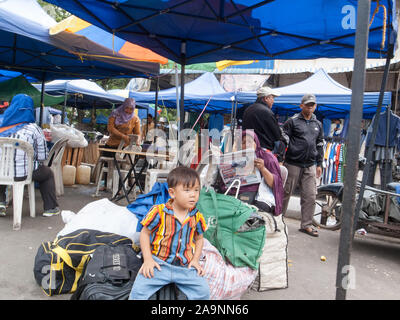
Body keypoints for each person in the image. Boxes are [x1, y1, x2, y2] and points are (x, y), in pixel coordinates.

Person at [129, 166, 209, 300]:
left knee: (203, 292)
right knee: (138, 293)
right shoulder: (158, 212)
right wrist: (148, 259)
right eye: (187, 190)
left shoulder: (197, 216)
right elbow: (144, 233)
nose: (193, 194)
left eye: (196, 190)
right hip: (159, 264)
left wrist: (195, 260)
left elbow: (200, 239)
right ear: (172, 193)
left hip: (184, 267)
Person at [0, 94, 59, 217]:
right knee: (47, 173)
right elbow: (42, 157)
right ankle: (50, 208)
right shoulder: (34, 129)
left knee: (3, 167)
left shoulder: (1, 126)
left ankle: (1, 203)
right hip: (25, 174)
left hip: (2, 173)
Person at [281, 94, 324, 237]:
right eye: (307, 104)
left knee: (310, 195)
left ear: (315, 106)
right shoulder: (292, 122)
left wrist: (320, 163)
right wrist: (281, 158)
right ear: (301, 106)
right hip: (292, 163)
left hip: (310, 164)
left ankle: (306, 224)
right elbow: (283, 141)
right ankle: (278, 221)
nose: (310, 107)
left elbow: (320, 144)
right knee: (285, 193)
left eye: (312, 104)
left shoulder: (318, 124)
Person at [223, 130, 284, 215]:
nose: (247, 145)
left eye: (250, 142)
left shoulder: (268, 158)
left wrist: (263, 168)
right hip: (238, 190)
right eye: (243, 143)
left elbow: (275, 183)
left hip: (259, 193)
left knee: (251, 210)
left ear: (256, 143)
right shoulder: (236, 157)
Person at [242, 86, 288, 162]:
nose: (273, 101)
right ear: (266, 98)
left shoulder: (248, 110)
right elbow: (277, 135)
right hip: (263, 152)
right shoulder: (267, 112)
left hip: (248, 150)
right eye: (272, 98)